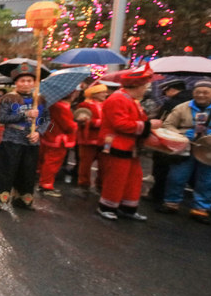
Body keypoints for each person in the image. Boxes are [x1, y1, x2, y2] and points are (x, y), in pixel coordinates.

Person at [160, 79, 211, 224]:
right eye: (197, 92)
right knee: (177, 177)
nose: (201, 95)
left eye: (205, 92)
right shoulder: (182, 107)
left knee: (209, 180)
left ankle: (200, 209)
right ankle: (171, 203)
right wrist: (181, 134)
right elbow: (168, 125)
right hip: (187, 148)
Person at [97, 65, 160, 221]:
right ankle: (107, 206)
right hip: (116, 144)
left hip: (129, 146)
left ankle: (127, 207)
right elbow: (120, 124)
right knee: (116, 177)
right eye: (145, 86)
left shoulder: (131, 100)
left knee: (133, 178)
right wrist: (148, 125)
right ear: (137, 86)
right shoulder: (118, 99)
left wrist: (147, 124)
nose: (146, 89)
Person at [0, 63, 45, 210]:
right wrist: (25, 114)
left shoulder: (40, 99)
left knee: (28, 171)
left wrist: (39, 132)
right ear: (16, 82)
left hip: (31, 142)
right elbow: (2, 118)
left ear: (34, 82)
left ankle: (22, 200)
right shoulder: (8, 99)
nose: (26, 83)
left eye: (29, 80)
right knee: (6, 170)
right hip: (11, 140)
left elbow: (47, 120)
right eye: (22, 80)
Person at [148, 79, 192, 203]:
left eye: (166, 92)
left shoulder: (172, 103)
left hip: (170, 139)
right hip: (190, 141)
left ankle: (159, 195)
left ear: (172, 90)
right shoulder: (193, 101)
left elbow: (163, 122)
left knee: (162, 169)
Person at [37, 90, 79, 197]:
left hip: (50, 135)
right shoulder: (61, 107)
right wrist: (76, 123)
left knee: (46, 160)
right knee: (53, 163)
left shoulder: (52, 104)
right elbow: (68, 126)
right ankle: (46, 185)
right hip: (59, 139)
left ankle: (43, 180)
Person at [75, 83, 108, 193]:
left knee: (104, 163)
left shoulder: (106, 104)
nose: (105, 94)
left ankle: (101, 183)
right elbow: (83, 120)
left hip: (105, 140)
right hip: (88, 139)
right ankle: (83, 183)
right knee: (86, 163)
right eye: (103, 92)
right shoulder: (85, 105)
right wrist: (101, 123)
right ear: (95, 93)